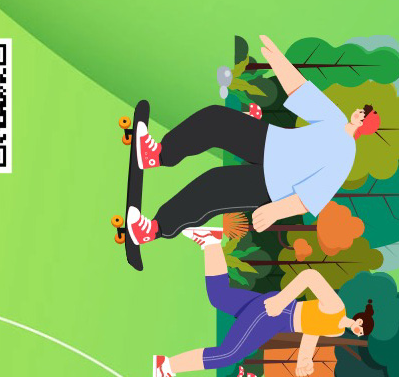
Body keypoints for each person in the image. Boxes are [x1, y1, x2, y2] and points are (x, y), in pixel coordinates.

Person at [124, 33, 381, 246]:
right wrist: (278, 60)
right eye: (363, 110)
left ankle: (153, 229)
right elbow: (300, 91)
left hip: (273, 183)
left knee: (211, 186)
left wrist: (275, 211)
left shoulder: (345, 156)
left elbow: (311, 196)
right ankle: (157, 155)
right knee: (215, 119)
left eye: (364, 115)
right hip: (271, 143)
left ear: (364, 126)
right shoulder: (335, 118)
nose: (359, 112)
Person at [149, 225, 374, 377]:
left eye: (362, 332)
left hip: (279, 321)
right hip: (277, 312)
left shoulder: (336, 331)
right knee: (229, 354)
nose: (359, 330)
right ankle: (167, 366)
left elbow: (311, 332)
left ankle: (211, 243)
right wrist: (281, 301)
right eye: (361, 325)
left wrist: (304, 360)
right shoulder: (337, 307)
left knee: (219, 296)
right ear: (359, 318)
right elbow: (310, 276)